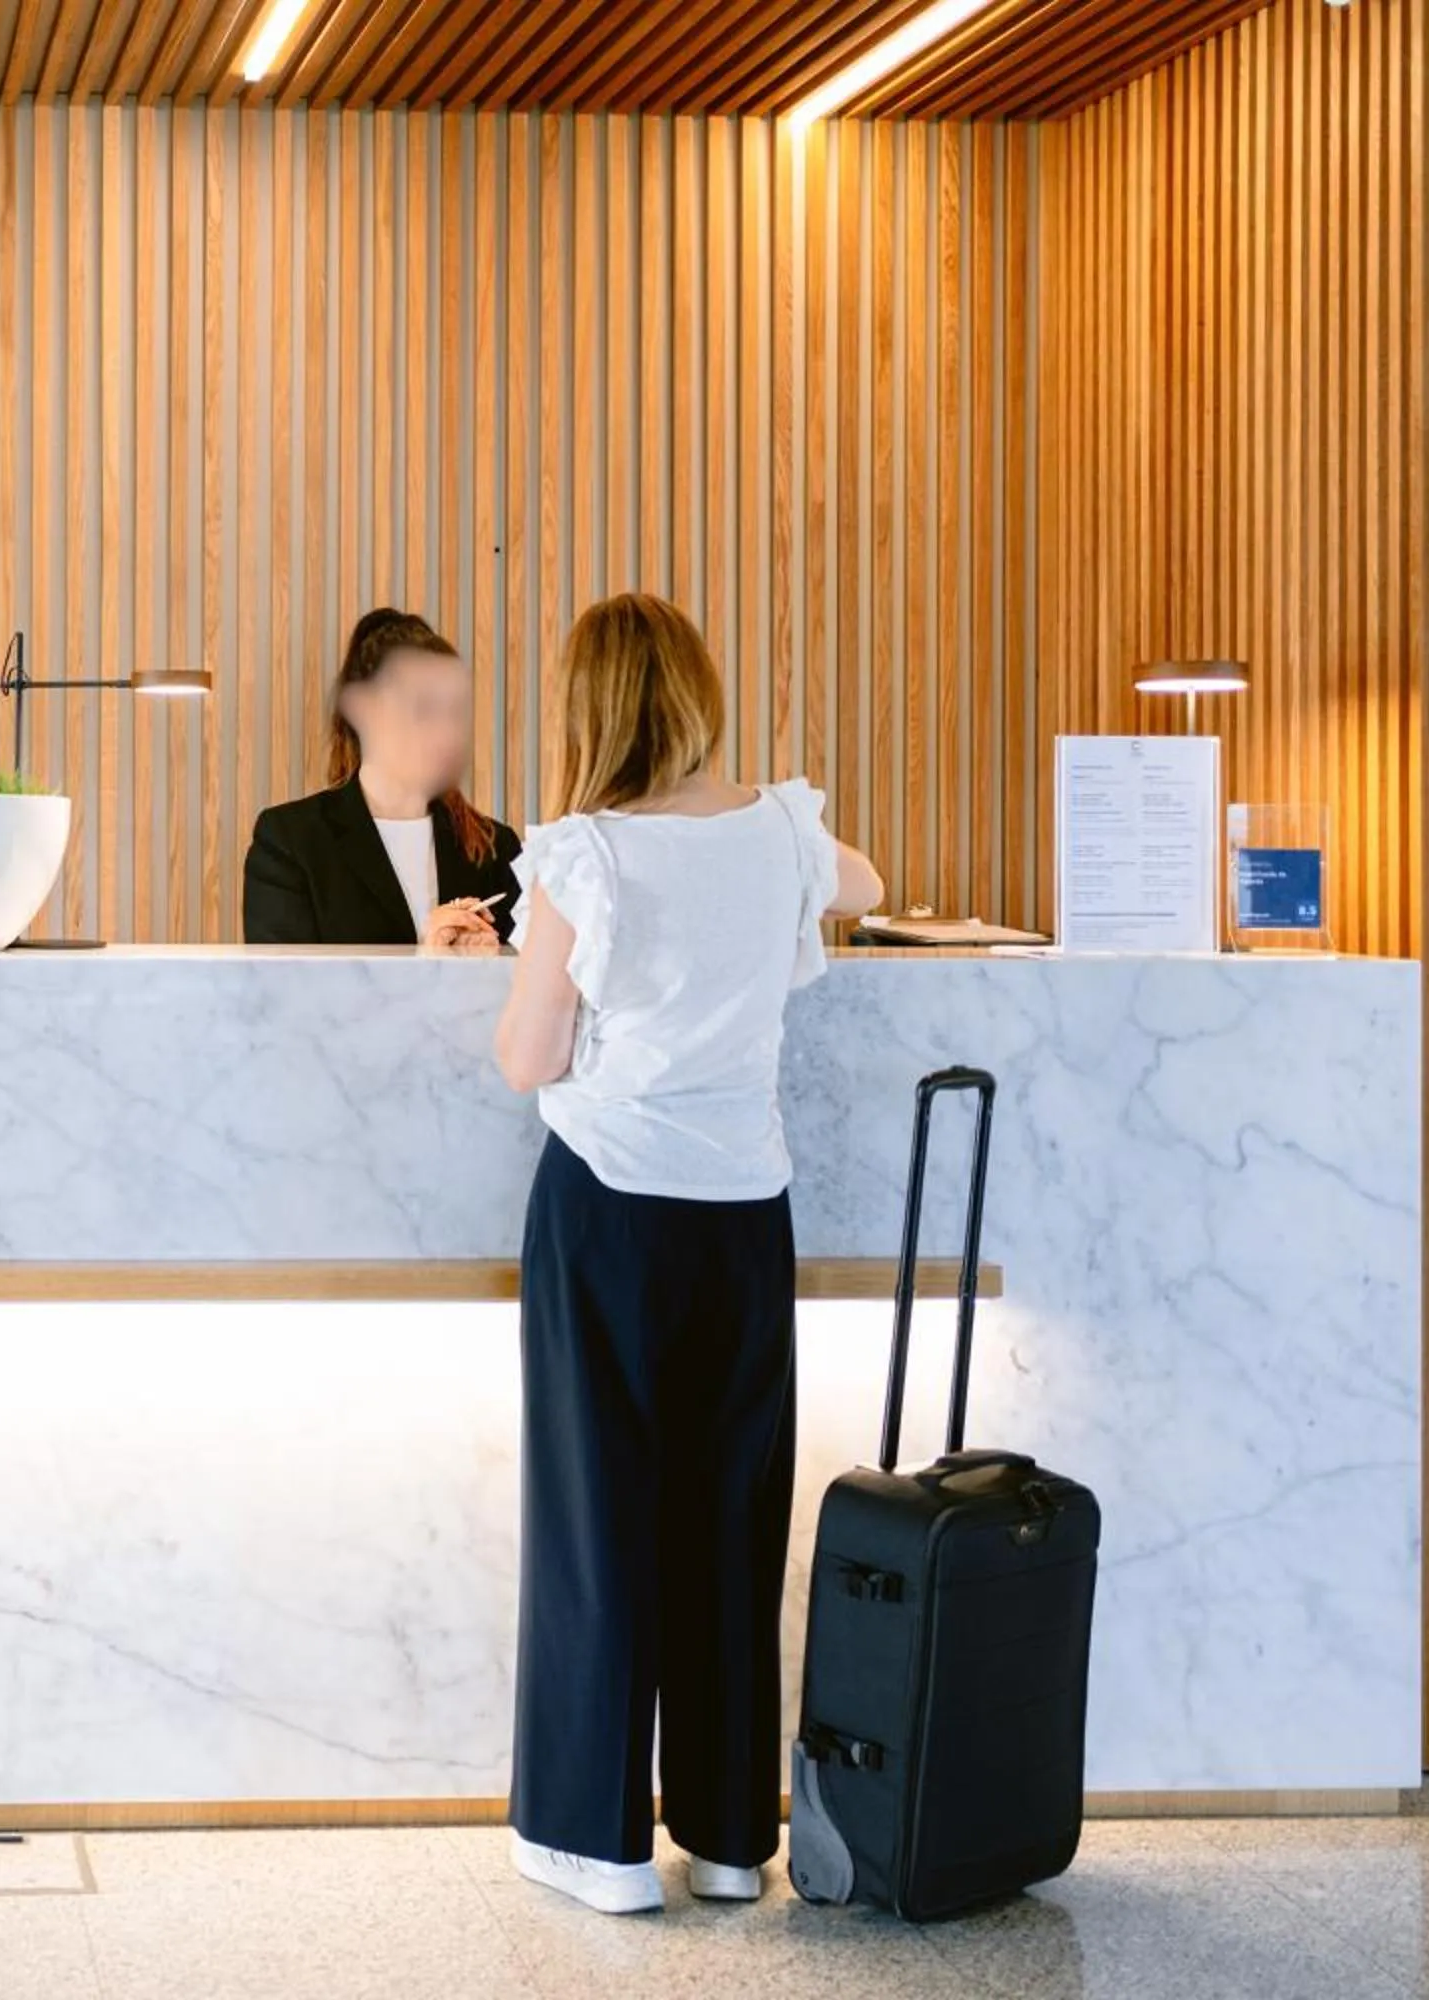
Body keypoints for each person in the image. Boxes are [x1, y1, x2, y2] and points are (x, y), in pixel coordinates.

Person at [491, 593, 882, 1916]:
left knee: (598, 1518)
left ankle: (596, 1843)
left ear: (587, 710)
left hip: (609, 1207)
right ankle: (725, 1837)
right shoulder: (782, 832)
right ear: (700, 694)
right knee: (729, 1519)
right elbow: (867, 885)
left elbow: (528, 1056)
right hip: (743, 1214)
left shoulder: (586, 858)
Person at [242, 609, 521, 949]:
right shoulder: (291, 842)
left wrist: (488, 961)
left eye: (453, 711)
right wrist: (426, 957)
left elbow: (529, 975)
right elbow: (280, 980)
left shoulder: (495, 848)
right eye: (423, 708)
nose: (445, 731)